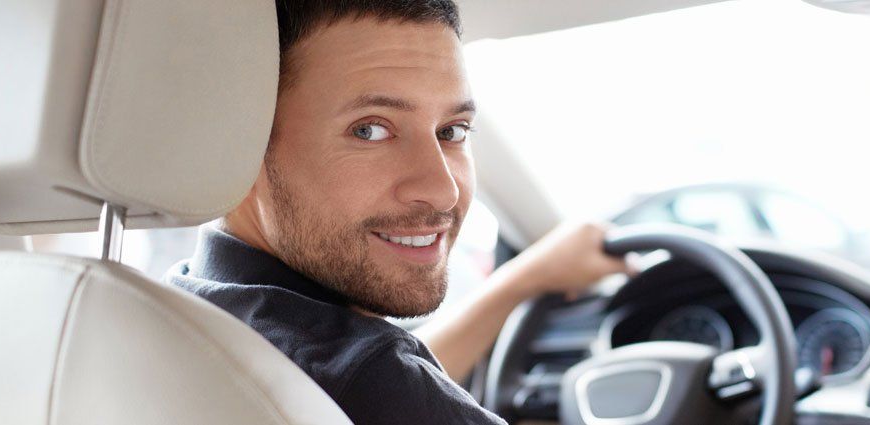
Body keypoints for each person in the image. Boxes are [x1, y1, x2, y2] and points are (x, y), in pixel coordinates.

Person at [167, 1, 628, 423]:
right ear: (243, 145)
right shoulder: (365, 381)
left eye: (452, 130)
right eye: (369, 130)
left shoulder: (187, 301)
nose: (443, 190)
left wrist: (522, 281)